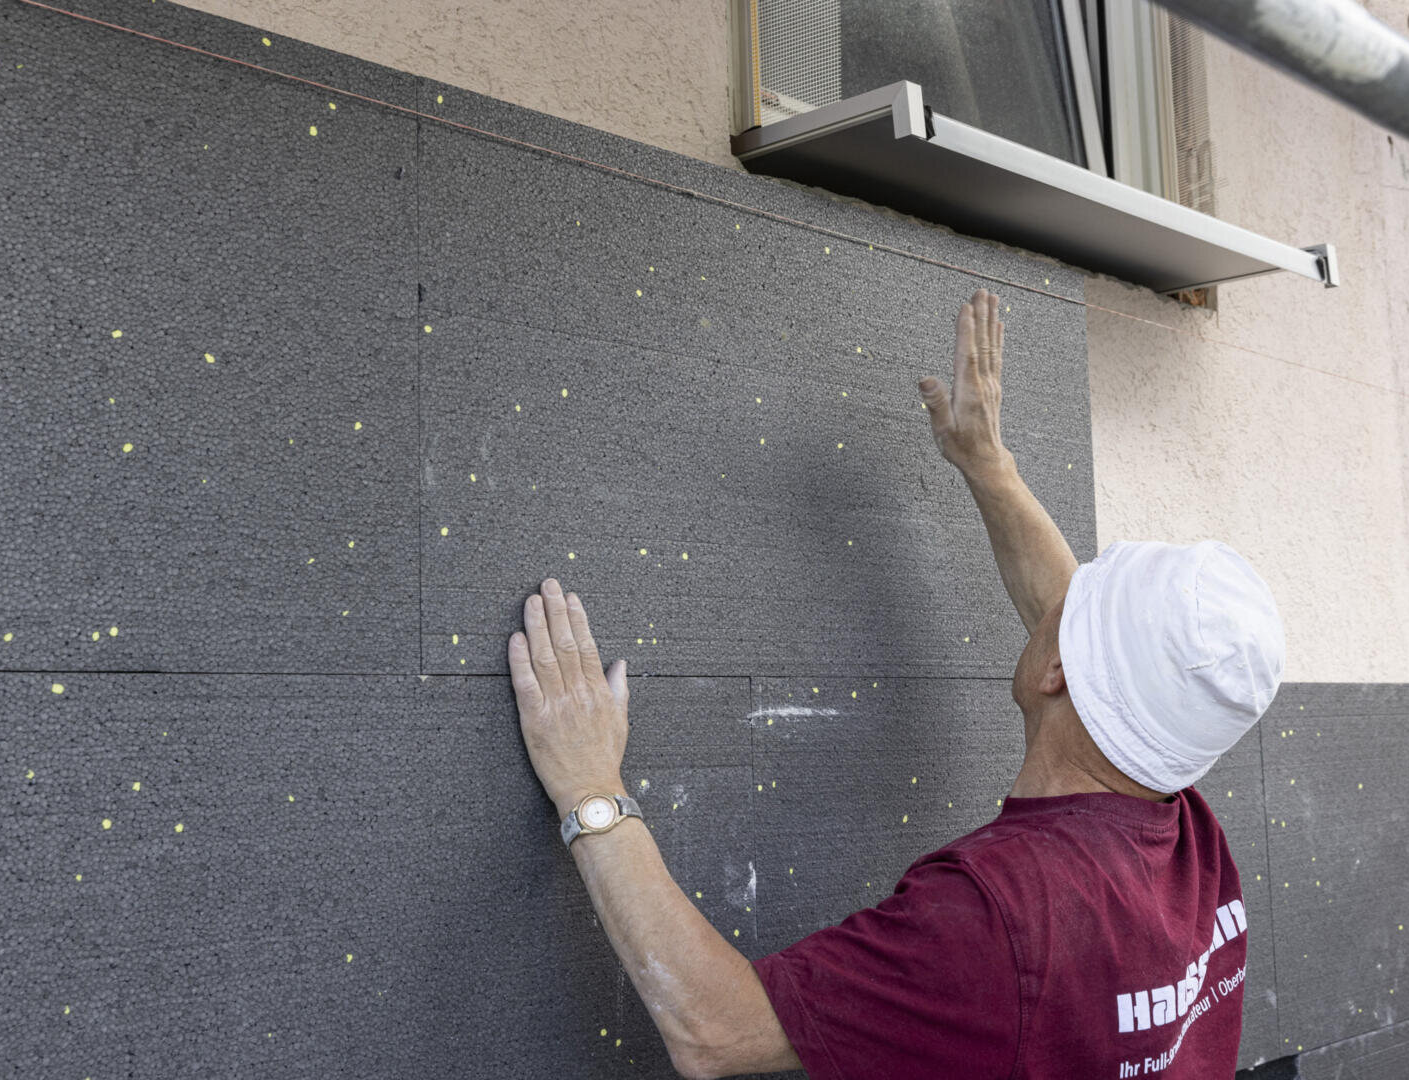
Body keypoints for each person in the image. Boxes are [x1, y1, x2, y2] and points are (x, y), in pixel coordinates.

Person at [508, 289, 1285, 1079]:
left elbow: (716, 1029)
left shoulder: (1001, 912)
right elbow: (1079, 644)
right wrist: (989, 465)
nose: (1058, 601)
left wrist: (589, 788)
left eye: (1072, 616)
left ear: (1057, 671)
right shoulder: (1184, 840)